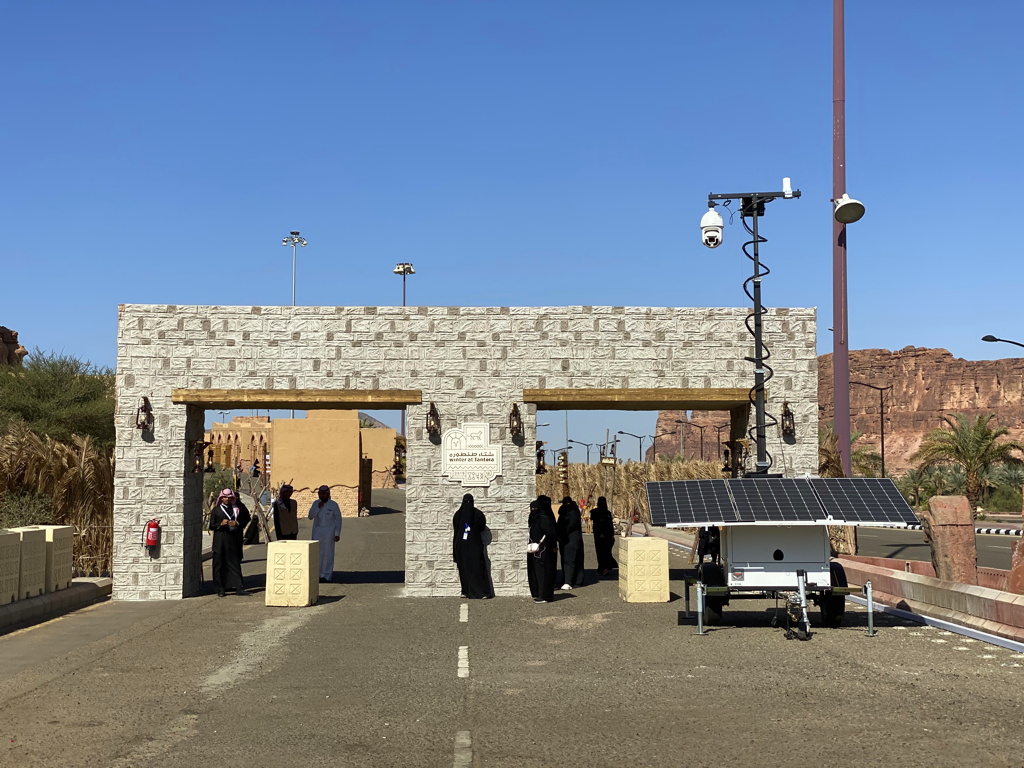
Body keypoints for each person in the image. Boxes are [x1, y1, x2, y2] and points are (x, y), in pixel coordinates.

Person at [209, 488, 251, 596]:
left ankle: (238, 587)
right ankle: (220, 589)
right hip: (220, 540)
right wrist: (220, 524)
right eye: (225, 497)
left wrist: (237, 523)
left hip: (233, 539)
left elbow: (245, 519)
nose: (227, 499)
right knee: (219, 564)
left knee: (234, 563)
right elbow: (211, 526)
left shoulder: (236, 509)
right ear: (221, 498)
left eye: (229, 497)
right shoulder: (216, 510)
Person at [452, 493, 492, 599]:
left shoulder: (458, 515)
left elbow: (455, 529)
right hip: (474, 545)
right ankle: (481, 592)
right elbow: (482, 527)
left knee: (466, 568)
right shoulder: (478, 514)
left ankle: (466, 591)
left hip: (461, 545)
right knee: (475, 568)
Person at [527, 496, 558, 603]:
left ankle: (545, 596)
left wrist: (553, 545)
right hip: (538, 549)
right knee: (538, 572)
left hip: (544, 549)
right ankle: (540, 593)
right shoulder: (538, 518)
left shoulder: (541, 518)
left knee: (544, 572)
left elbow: (550, 533)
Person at [309, 485, 342, 582]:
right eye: (320, 494)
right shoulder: (316, 503)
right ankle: (317, 575)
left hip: (329, 532)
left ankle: (326, 575)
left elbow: (338, 520)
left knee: (327, 554)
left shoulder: (333, 505)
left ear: (328, 494)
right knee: (317, 553)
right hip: (317, 531)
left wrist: (337, 533)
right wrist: (318, 508)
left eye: (324, 494)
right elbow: (310, 516)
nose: (322, 495)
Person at [557, 496, 585, 590]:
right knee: (570, 560)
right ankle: (573, 580)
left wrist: (560, 535)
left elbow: (568, 527)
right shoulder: (571, 512)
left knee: (570, 561)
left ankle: (569, 581)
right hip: (569, 540)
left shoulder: (572, 513)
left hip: (570, 540)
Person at [590, 496, 618, 576]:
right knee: (606, 552)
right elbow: (609, 525)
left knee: (601, 552)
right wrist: (612, 535)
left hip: (600, 536)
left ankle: (603, 568)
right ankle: (605, 567)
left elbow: (597, 523)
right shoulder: (607, 513)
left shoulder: (595, 512)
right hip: (607, 535)